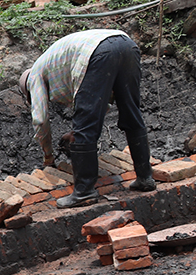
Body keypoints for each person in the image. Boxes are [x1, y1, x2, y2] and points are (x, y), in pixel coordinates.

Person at [19, 28, 154, 208]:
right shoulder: (53, 63)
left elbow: (40, 119)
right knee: (131, 112)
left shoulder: (34, 76)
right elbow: (101, 100)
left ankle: (84, 192)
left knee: (84, 126)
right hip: (126, 44)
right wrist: (76, 132)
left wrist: (48, 157)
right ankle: (145, 178)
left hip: (96, 52)